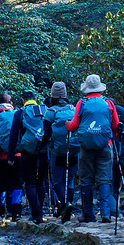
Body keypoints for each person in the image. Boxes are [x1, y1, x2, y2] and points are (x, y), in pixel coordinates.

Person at [66, 74, 119, 223]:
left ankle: (88, 215)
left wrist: (67, 125)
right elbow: (115, 124)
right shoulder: (108, 102)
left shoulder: (81, 103)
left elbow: (74, 125)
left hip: (86, 147)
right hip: (105, 145)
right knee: (105, 179)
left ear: (87, 88)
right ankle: (106, 214)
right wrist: (110, 138)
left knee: (86, 179)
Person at [44, 82, 78, 221]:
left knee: (57, 181)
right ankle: (69, 204)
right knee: (70, 181)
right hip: (74, 150)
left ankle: (64, 207)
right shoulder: (74, 109)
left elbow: (46, 135)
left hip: (57, 152)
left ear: (52, 96)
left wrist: (40, 147)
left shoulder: (50, 112)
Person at [17, 89, 52, 224]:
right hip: (43, 148)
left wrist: (11, 154)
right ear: (35, 98)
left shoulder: (21, 112)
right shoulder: (44, 109)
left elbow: (15, 133)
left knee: (30, 182)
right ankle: (40, 212)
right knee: (41, 181)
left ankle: (35, 214)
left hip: (27, 150)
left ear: (23, 99)